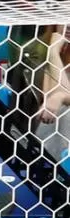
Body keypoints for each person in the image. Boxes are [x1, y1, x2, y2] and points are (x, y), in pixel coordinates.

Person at [36, 25, 70, 160]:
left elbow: (62, 94)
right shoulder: (42, 48)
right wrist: (53, 53)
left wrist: (53, 54)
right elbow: (49, 99)